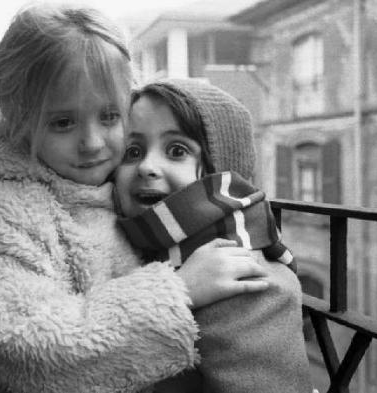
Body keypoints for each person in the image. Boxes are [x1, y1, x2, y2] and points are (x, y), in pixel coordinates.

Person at [0, 5, 271, 393]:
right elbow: (30, 350)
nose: (92, 143)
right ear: (19, 121)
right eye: (63, 122)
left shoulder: (112, 190)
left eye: (109, 117)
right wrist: (178, 291)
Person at [114, 79, 314, 393]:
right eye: (132, 150)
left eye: (176, 150)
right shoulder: (138, 247)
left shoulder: (242, 279)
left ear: (221, 171)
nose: (147, 166)